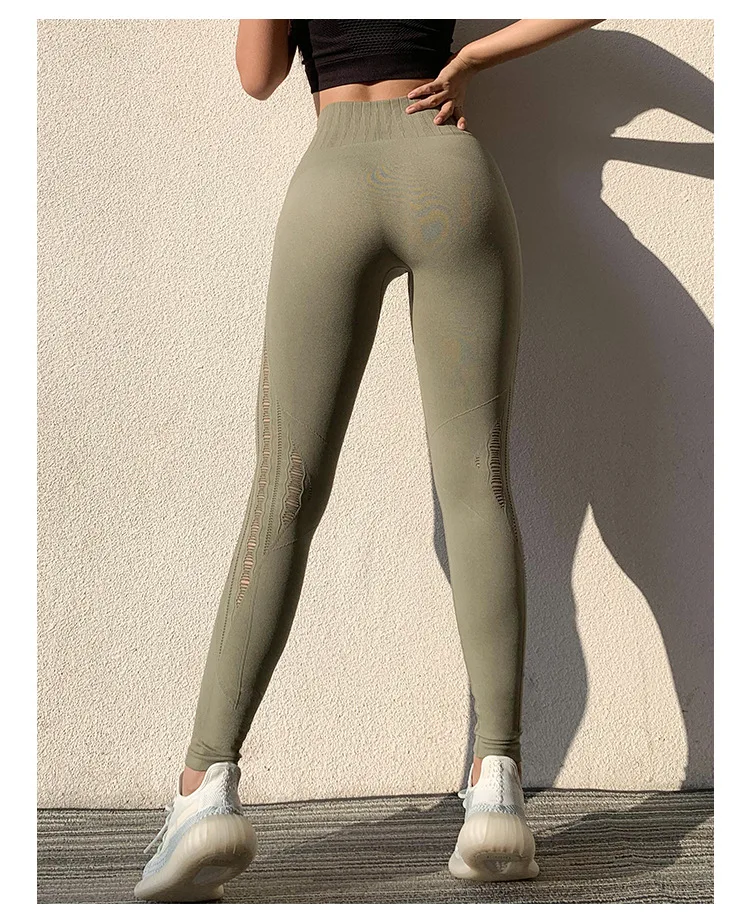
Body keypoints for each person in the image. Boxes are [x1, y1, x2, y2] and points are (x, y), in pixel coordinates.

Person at [135, 17, 604, 902]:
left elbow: (257, 75)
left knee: (283, 492)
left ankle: (206, 789)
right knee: (478, 484)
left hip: (333, 183)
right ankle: (497, 784)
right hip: (446, 169)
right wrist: (470, 59)